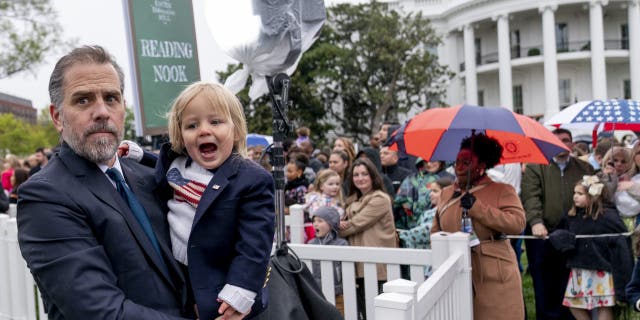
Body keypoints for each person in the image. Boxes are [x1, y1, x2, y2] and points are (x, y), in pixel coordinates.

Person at [17, 45, 192, 319]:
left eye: (111, 98)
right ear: (57, 117)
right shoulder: (45, 196)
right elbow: (100, 311)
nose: (101, 111)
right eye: (83, 100)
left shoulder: (149, 176)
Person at [157, 81, 275, 319]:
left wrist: (238, 295)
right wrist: (135, 154)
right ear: (180, 135)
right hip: (179, 285)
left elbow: (253, 246)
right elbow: (154, 165)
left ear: (237, 129)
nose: (203, 130)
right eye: (192, 125)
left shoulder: (252, 179)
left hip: (222, 292)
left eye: (215, 122)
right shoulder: (177, 166)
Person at [432, 133, 526, 320]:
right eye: (457, 161)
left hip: (494, 274)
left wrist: (478, 208)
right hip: (455, 270)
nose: (459, 167)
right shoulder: (446, 194)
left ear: (482, 166)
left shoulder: (503, 190)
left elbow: (517, 224)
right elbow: (436, 230)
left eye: (466, 162)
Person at [521, 128, 595, 320]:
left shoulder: (584, 168)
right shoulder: (535, 167)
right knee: (545, 282)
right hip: (543, 234)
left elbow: (593, 196)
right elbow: (531, 197)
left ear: (572, 144)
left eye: (567, 140)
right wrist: (536, 222)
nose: (563, 143)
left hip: (575, 233)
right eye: (558, 139)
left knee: (571, 281)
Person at [549, 176, 632, 320]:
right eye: (574, 193)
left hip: (601, 270)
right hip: (579, 270)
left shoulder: (607, 216)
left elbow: (622, 240)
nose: (575, 196)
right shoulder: (572, 216)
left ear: (593, 196)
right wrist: (561, 237)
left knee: (603, 305)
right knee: (573, 304)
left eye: (580, 194)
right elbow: (559, 232)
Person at [339, 157, 398, 320]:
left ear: (373, 176)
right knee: (364, 312)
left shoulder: (380, 199)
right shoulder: (352, 200)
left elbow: (353, 226)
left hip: (377, 266)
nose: (360, 178)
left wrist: (336, 226)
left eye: (364, 174)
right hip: (358, 265)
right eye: (356, 175)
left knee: (378, 314)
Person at [309, 206, 349, 316]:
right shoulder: (311, 244)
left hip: (337, 294)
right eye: (314, 221)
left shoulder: (341, 244)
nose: (315, 224)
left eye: (320, 221)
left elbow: (345, 271)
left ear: (331, 225)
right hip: (317, 293)